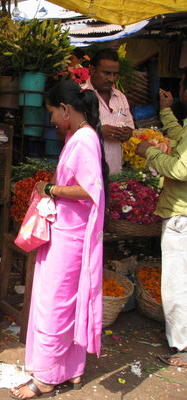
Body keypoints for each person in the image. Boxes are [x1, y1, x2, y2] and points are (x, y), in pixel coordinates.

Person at [10, 80, 108, 399]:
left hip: (71, 235)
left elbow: (90, 189)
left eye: (52, 112)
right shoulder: (78, 135)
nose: (51, 120)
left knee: (55, 304)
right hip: (66, 230)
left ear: (66, 109)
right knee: (62, 301)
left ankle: (47, 378)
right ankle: (71, 370)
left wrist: (51, 190)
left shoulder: (84, 138)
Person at [135, 88, 187, 368]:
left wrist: (150, 151)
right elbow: (180, 137)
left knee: (177, 285)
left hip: (182, 215)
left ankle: (183, 346)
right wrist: (166, 110)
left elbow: (180, 169)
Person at [84, 48, 134, 174]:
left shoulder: (120, 97)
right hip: (87, 173)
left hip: (115, 172)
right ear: (92, 70)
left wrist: (127, 133)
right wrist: (98, 130)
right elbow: (64, 132)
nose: (111, 79)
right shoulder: (80, 95)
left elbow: (129, 127)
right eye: (106, 73)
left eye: (115, 74)